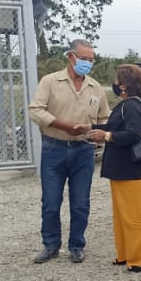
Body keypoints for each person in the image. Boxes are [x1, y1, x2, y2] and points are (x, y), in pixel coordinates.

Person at [28, 39, 109, 264]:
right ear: (71, 57)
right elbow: (35, 110)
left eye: (91, 60)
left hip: (83, 150)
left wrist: (94, 130)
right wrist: (62, 125)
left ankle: (76, 245)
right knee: (51, 201)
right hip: (54, 147)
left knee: (80, 202)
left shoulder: (95, 88)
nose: (87, 63)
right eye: (83, 59)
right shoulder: (50, 82)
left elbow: (104, 118)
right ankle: (51, 245)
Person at [85, 64, 141, 272]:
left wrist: (106, 136)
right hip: (124, 171)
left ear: (124, 85)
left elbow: (134, 134)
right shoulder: (127, 104)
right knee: (124, 216)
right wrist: (92, 128)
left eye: (117, 81)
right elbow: (116, 127)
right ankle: (127, 253)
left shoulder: (131, 106)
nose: (115, 84)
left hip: (132, 171)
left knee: (136, 217)